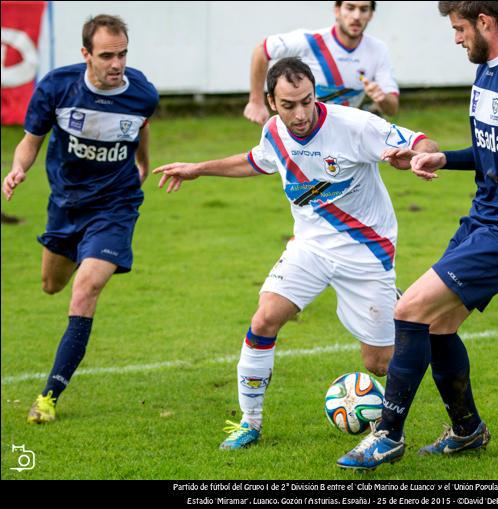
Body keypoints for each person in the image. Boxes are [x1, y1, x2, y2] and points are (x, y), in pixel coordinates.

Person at [337, 1, 498, 471]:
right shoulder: (487, 70)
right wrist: (443, 158)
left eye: (460, 28)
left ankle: (387, 436)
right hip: (483, 218)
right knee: (438, 325)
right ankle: (467, 430)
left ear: (485, 22)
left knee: (408, 310)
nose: (456, 38)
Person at [153, 57, 437, 450]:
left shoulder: (354, 125)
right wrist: (198, 168)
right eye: (289, 105)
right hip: (310, 247)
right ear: (271, 101)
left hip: (365, 253)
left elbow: (419, 141)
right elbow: (256, 161)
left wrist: (421, 158)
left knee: (379, 364)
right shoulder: (275, 132)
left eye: (306, 101)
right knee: (265, 318)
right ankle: (249, 423)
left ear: (314, 93)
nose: (300, 113)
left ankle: (409, 319)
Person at [2, 15, 159, 424]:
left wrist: (143, 164)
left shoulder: (142, 92)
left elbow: (141, 128)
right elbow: (30, 142)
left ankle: (49, 396)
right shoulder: (57, 87)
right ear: (86, 54)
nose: (117, 63)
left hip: (116, 205)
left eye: (123, 54)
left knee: (86, 288)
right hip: (67, 205)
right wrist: (18, 169)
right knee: (52, 285)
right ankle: (80, 253)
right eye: (107, 55)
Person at [243, 1, 399, 125]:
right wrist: (256, 101)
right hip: (305, 128)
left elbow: (392, 108)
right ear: (337, 10)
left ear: (371, 14)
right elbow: (262, 50)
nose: (356, 16)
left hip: (348, 130)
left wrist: (382, 98)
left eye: (364, 9)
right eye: (350, 8)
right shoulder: (310, 40)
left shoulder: (378, 50)